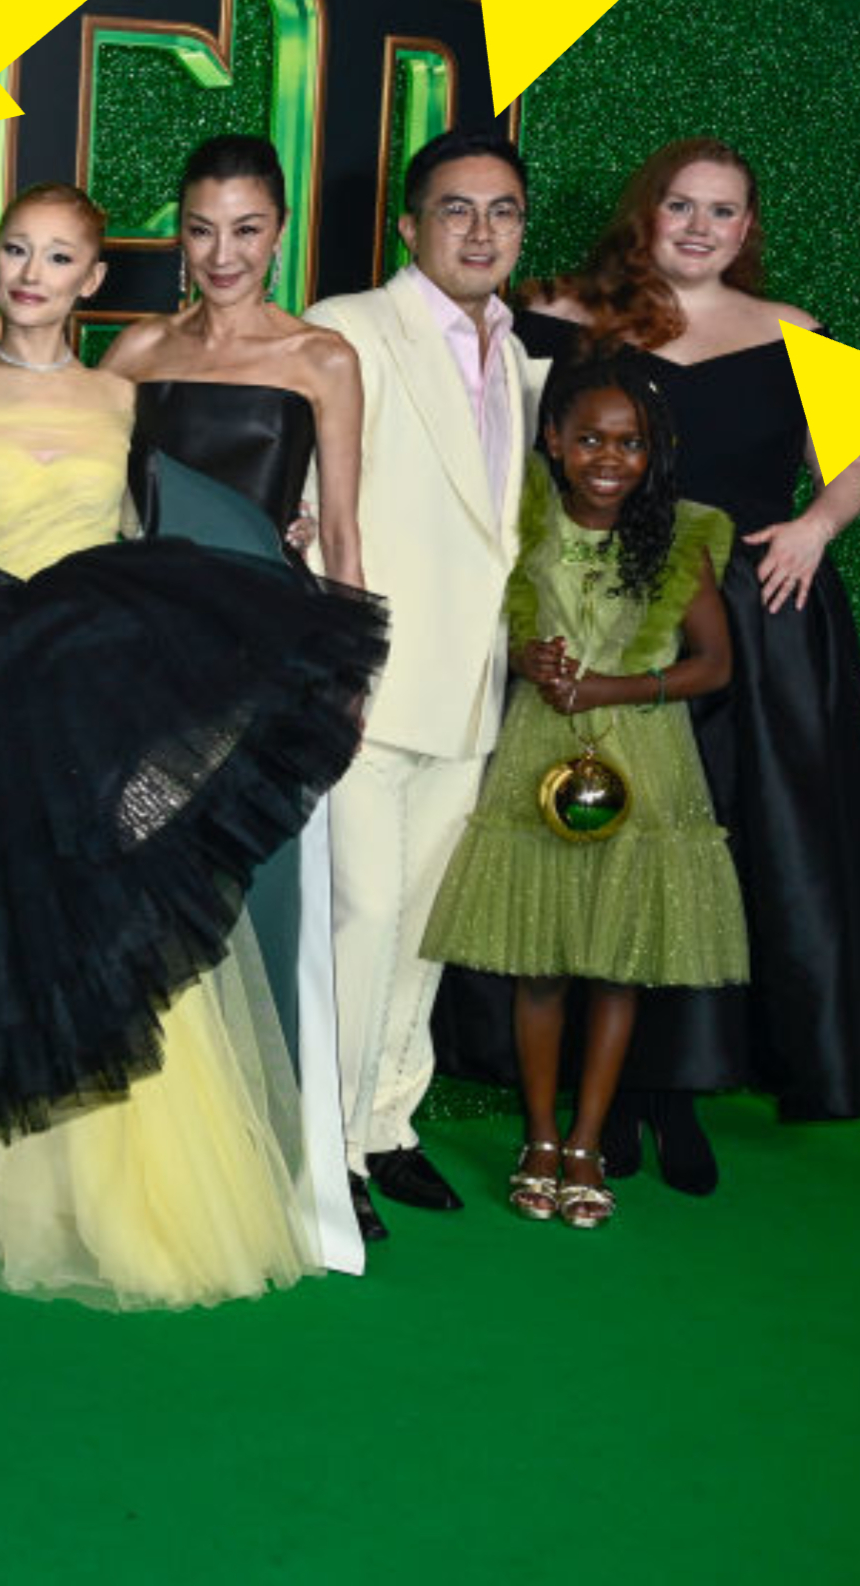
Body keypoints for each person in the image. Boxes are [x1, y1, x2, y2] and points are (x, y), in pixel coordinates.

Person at [0, 183, 386, 1307]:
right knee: (0, 927)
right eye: (15, 250)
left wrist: (287, 548)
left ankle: (120, 1193)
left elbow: (164, 526)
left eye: (59, 255)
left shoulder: (115, 398)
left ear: (89, 277)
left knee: (116, 931)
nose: (31, 271)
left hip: (108, 692)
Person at [441, 138, 860, 1191]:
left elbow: (852, 471)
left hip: (751, 616)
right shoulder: (561, 314)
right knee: (594, 840)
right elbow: (493, 454)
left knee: (725, 851)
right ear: (643, 214)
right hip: (598, 613)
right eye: (679, 206)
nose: (698, 227)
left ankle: (675, 1095)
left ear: (747, 228)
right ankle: (594, 1108)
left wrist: (814, 528)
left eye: (723, 211)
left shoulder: (794, 333)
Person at [101, 133, 375, 1273]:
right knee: (140, 906)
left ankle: (269, 1175)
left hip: (265, 662)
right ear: (178, 228)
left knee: (258, 904)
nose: (221, 252)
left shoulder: (320, 357)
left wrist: (351, 675)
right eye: (200, 227)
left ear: (277, 229)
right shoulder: (133, 349)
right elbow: (67, 472)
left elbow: (344, 525)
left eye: (245, 228)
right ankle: (137, 1181)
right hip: (143, 660)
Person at [421, 349, 745, 1228]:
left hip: (644, 757)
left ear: (652, 454)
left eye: (630, 443)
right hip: (538, 756)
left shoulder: (680, 536)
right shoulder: (521, 522)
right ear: (554, 444)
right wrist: (524, 657)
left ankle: (587, 1140)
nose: (609, 458)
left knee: (615, 965)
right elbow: (465, 615)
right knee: (541, 961)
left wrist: (611, 687)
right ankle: (535, 1136)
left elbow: (713, 665)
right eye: (590, 439)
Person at [303, 131, 547, 1242]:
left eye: (500, 211)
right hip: (365, 674)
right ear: (408, 226)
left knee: (422, 925)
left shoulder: (520, 348)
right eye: (455, 209)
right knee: (358, 914)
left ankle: (383, 1125)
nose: (479, 230)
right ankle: (323, 1145)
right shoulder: (348, 326)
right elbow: (307, 499)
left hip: (472, 680)